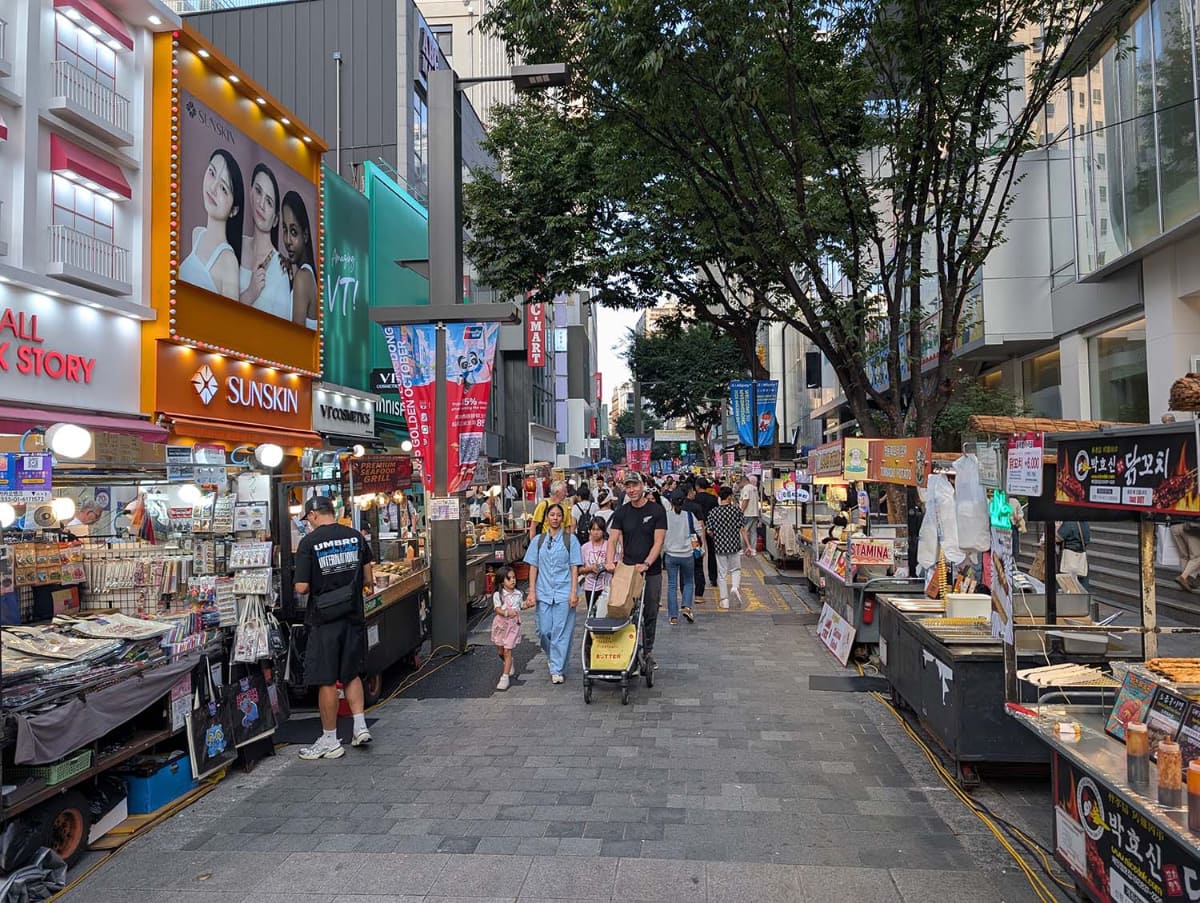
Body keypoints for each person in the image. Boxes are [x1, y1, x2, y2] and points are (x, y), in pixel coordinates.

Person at [293, 496, 375, 759]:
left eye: (308, 519)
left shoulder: (309, 543)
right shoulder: (355, 536)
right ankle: (360, 727)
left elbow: (302, 587)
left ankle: (330, 739)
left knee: (326, 679)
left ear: (314, 515)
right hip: (353, 615)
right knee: (351, 673)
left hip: (324, 619)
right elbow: (368, 579)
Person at [605, 471, 667, 668]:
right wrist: (609, 561)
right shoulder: (621, 513)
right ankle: (627, 650)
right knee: (624, 609)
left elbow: (658, 542)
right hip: (627, 570)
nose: (631, 490)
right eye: (628, 486)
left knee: (650, 611)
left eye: (635, 485)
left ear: (642, 486)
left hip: (651, 570)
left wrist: (647, 563)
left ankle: (648, 651)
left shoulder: (657, 511)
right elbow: (613, 539)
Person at [522, 504, 583, 683]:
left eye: (558, 515)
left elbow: (574, 567)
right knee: (543, 630)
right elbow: (533, 567)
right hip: (544, 590)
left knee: (561, 631)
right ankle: (553, 656)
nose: (555, 518)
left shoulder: (570, 540)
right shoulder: (538, 541)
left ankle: (557, 668)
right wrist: (532, 592)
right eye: (552, 515)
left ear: (562, 518)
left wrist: (574, 592)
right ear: (547, 518)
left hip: (564, 591)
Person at [179, 149, 243, 299]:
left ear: (234, 210)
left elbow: (230, 319)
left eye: (223, 188)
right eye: (212, 173)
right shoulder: (197, 234)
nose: (213, 188)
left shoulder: (228, 262)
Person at [239, 163, 291, 320]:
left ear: (275, 219)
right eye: (258, 191)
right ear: (250, 192)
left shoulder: (280, 270)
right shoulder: (235, 245)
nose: (261, 204)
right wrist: (250, 294)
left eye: (269, 202)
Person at [707, 486, 753, 609]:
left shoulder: (713, 512)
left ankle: (724, 600)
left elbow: (709, 531)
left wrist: (716, 534)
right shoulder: (736, 510)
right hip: (734, 545)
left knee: (721, 573)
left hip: (719, 546)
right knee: (736, 569)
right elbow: (742, 529)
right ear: (729, 497)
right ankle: (734, 587)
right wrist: (748, 545)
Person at [664, 489, 701, 625]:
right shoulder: (689, 516)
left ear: (671, 502)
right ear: (684, 501)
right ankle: (686, 606)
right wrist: (702, 548)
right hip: (687, 554)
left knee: (672, 585)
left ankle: (673, 616)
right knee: (689, 582)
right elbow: (699, 531)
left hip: (670, 555)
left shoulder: (665, 516)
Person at [280, 191, 317, 328]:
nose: (288, 240)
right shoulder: (306, 276)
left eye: (294, 232)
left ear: (305, 235)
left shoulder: (303, 277)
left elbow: (297, 340)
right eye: (285, 230)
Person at [490, 566, 526, 691]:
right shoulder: (498, 595)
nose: (512, 581)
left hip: (513, 625)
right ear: (501, 581)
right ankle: (508, 662)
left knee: (507, 650)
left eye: (514, 577)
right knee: (501, 651)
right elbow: (497, 609)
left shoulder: (518, 594)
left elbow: (521, 606)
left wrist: (528, 604)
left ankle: (504, 677)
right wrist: (506, 613)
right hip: (501, 625)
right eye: (509, 578)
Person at [579, 517, 614, 609]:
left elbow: (616, 565)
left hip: (607, 586)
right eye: (593, 529)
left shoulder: (609, 545)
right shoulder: (585, 547)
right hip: (590, 587)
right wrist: (590, 568)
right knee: (592, 613)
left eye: (598, 529)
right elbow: (580, 569)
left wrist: (607, 567)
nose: (595, 532)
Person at [695, 477, 720, 592]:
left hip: (696, 532)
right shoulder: (713, 499)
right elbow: (716, 515)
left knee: (696, 554)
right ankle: (713, 577)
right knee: (712, 553)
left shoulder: (694, 499)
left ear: (697, 487)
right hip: (711, 530)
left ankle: (698, 579)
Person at [1055, 520, 1090, 589]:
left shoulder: (1069, 523)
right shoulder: (1085, 523)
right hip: (1081, 556)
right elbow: (1087, 539)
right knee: (1081, 584)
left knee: (1066, 583)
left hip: (1068, 556)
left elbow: (1057, 538)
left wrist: (1057, 527)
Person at [1170, 522, 1200, 592]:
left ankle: (1185, 582)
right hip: (1189, 526)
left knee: (1184, 556)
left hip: (1174, 526)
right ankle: (1183, 577)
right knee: (1197, 556)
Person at [739, 475, 761, 549]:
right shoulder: (755, 488)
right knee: (753, 532)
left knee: (743, 531)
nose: (739, 484)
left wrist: (741, 511)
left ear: (743, 481)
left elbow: (746, 500)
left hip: (747, 513)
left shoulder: (746, 488)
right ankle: (753, 549)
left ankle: (742, 548)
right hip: (755, 513)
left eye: (740, 482)